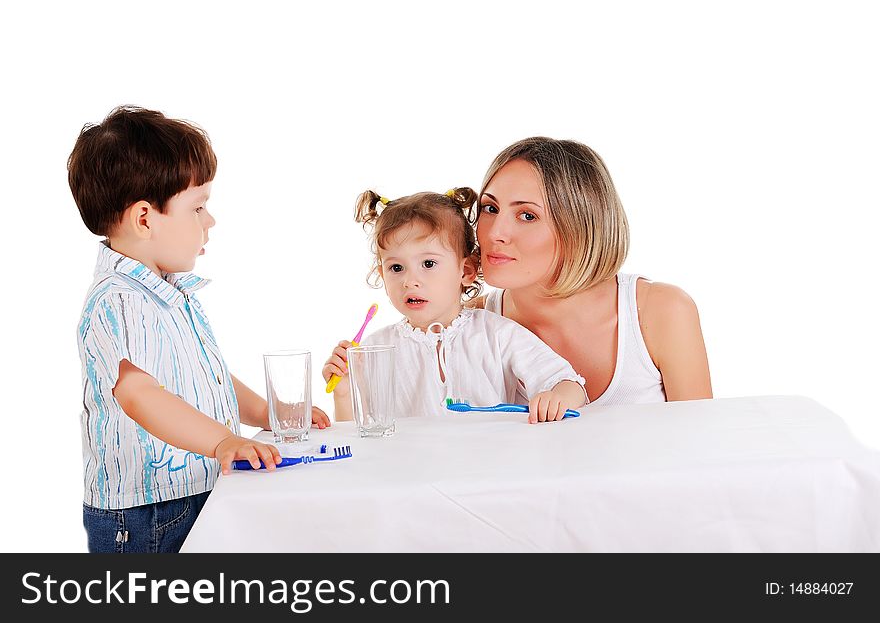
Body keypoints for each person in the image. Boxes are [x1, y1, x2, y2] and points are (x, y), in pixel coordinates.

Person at [69, 106, 329, 553]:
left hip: (195, 488)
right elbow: (139, 395)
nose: (210, 221)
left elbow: (209, 378)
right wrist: (223, 441)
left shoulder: (171, 292)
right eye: (198, 207)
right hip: (146, 513)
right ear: (145, 219)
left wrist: (267, 413)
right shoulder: (119, 299)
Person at [474, 137, 712, 405]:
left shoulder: (661, 312)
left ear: (579, 226)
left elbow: (698, 440)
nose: (495, 233)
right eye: (490, 208)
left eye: (527, 215)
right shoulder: (467, 326)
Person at [322, 188, 587, 423]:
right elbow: (355, 435)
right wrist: (344, 392)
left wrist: (557, 398)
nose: (409, 281)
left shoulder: (497, 333)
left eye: (428, 264)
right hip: (410, 476)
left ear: (466, 270)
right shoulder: (374, 350)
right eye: (396, 267)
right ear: (382, 273)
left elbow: (569, 384)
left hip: (488, 474)